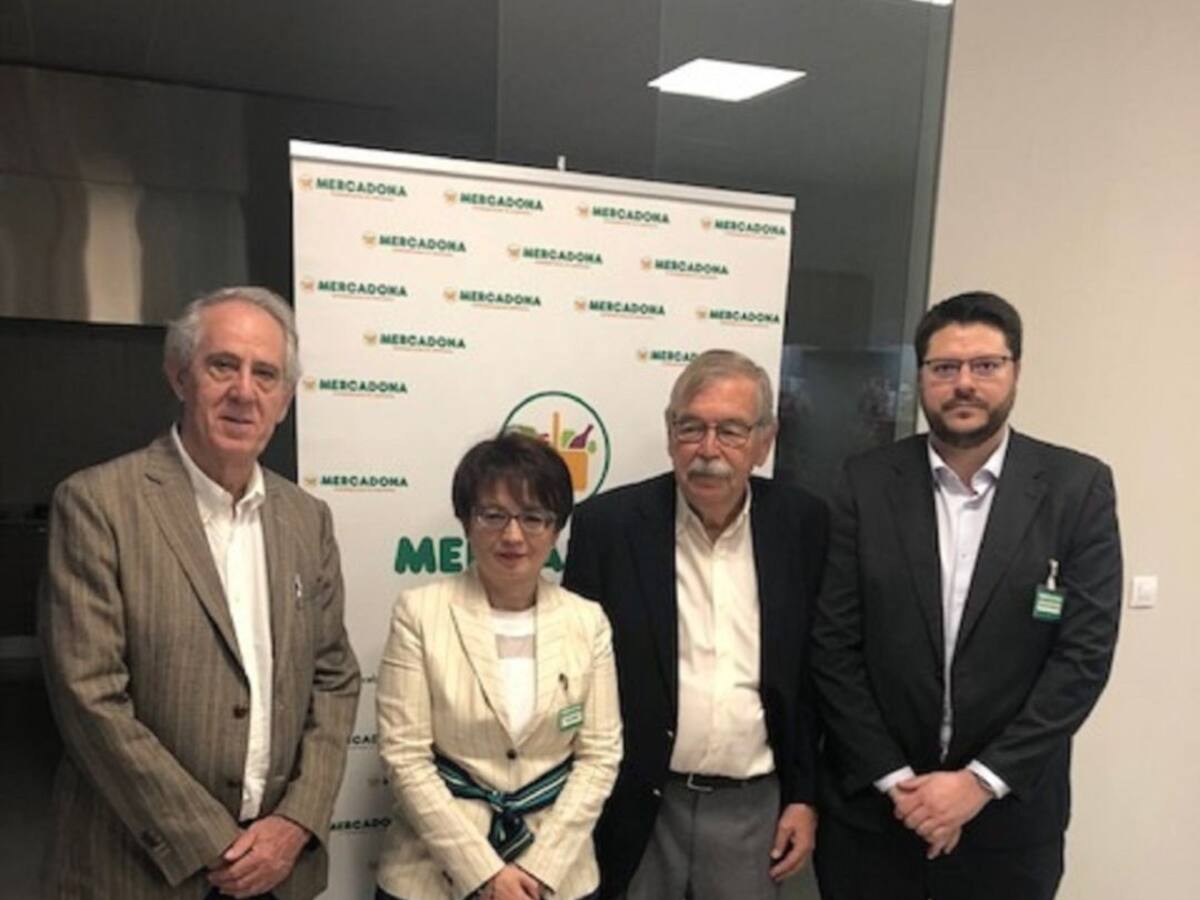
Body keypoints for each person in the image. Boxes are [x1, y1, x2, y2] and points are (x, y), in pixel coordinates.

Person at [39, 286, 361, 900]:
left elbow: (335, 678)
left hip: (278, 869)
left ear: (285, 400)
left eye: (265, 374)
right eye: (223, 366)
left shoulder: (307, 518)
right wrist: (213, 841)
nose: (244, 391)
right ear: (179, 375)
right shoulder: (97, 504)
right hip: (139, 870)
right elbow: (90, 697)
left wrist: (296, 823)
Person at [811, 291, 1122, 900]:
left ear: (1016, 371)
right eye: (945, 367)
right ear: (922, 376)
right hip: (876, 818)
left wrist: (978, 783)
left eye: (985, 365)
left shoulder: (1076, 488)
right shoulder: (865, 483)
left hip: (1008, 824)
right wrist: (900, 784)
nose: (964, 384)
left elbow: (1082, 658)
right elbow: (834, 646)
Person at [562, 349, 830, 899]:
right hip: (637, 804)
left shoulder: (803, 525)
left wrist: (805, 795)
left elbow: (810, 675)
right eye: (691, 428)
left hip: (753, 808)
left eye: (731, 431)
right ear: (670, 435)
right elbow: (575, 674)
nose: (708, 450)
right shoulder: (608, 528)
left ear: (764, 441)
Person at [375, 432, 622, 900]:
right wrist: (485, 873)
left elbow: (600, 756)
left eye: (533, 517)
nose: (513, 535)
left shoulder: (587, 621)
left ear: (556, 527)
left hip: (557, 876)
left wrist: (539, 870)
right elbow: (405, 757)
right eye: (493, 515)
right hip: (432, 874)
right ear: (466, 521)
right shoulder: (419, 613)